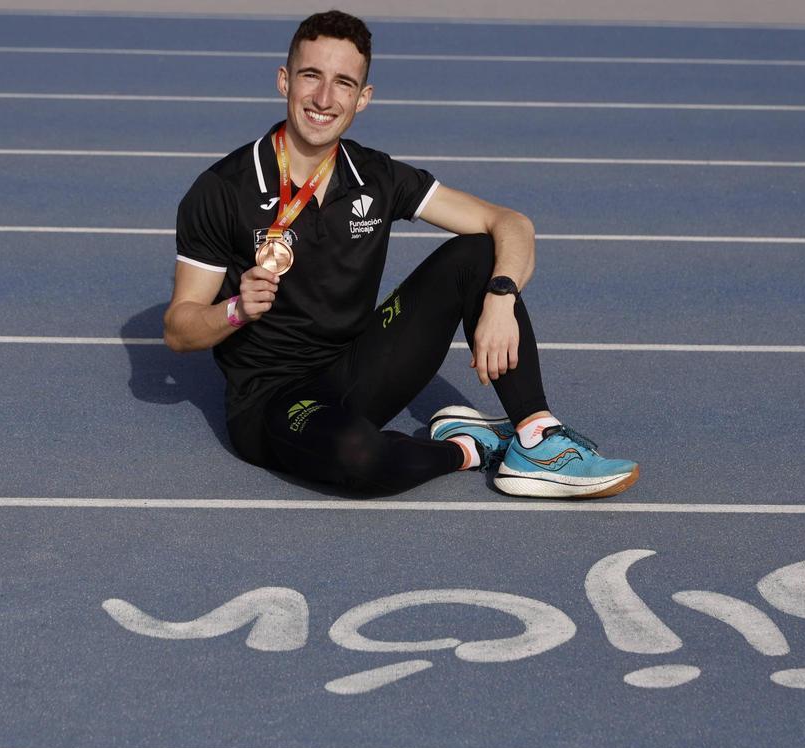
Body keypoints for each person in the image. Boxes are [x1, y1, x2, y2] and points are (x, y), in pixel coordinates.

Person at [165, 10, 638, 499]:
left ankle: (537, 437)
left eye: (343, 83)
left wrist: (501, 295)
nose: (324, 98)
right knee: (361, 457)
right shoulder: (222, 189)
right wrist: (235, 310)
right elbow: (179, 329)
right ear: (284, 80)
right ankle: (472, 448)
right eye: (311, 76)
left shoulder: (376, 176)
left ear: (363, 98)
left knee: (478, 254)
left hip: (359, 368)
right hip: (273, 399)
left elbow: (511, 223)